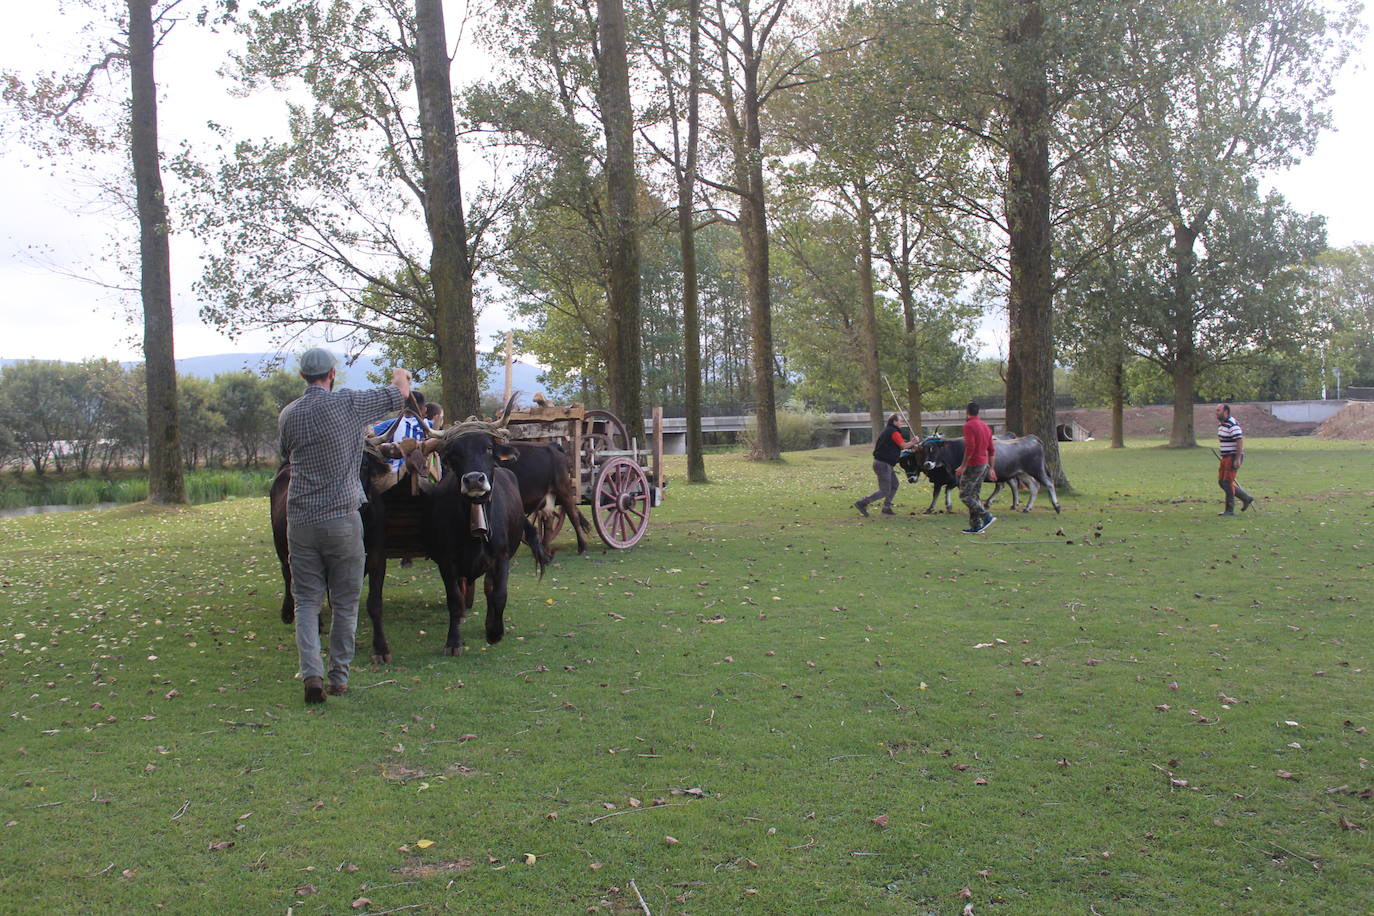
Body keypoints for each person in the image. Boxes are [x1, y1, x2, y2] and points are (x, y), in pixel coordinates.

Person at [278, 348, 411, 704]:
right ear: (332, 373)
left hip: (300, 519)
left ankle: (312, 675)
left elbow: (284, 454)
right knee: (345, 601)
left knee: (306, 601)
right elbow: (399, 394)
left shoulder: (288, 415)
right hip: (341, 517)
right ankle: (339, 678)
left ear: (302, 376)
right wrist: (401, 373)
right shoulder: (348, 405)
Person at [954, 401, 997, 534]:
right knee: (974, 495)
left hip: (974, 464)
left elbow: (970, 447)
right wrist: (991, 468)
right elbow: (991, 449)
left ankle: (986, 516)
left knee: (964, 495)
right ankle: (976, 526)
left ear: (967, 412)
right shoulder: (985, 426)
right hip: (984, 464)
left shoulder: (969, 426)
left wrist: (963, 466)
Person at [854, 413, 909, 517]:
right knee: (884, 490)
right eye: (900, 420)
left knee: (894, 484)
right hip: (883, 464)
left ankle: (886, 507)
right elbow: (904, 446)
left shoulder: (888, 430)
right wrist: (914, 442)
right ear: (894, 422)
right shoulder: (893, 432)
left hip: (883, 463)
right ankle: (862, 503)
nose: (902, 422)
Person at [1215, 403, 1254, 516]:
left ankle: (1229, 510)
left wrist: (1237, 459)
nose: (1216, 413)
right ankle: (1246, 498)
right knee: (1222, 482)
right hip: (1225, 457)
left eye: (1218, 410)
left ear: (1226, 411)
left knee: (1227, 482)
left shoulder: (1232, 424)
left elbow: (1239, 441)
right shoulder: (1222, 424)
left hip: (1233, 457)